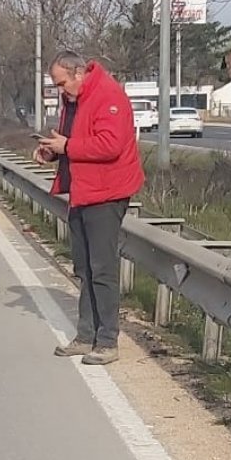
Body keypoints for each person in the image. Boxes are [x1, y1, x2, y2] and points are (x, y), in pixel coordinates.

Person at [34, 50, 144, 365]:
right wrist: (54, 152)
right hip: (83, 190)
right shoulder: (75, 100)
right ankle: (86, 335)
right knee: (84, 267)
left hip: (106, 192)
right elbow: (72, 140)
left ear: (79, 73)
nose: (60, 89)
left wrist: (67, 147)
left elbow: (110, 145)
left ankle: (107, 340)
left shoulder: (109, 96)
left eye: (61, 82)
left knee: (102, 269)